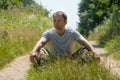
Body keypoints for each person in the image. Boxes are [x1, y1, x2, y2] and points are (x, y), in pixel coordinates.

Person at [30, 11, 100, 64]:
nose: (56, 23)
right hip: (51, 59)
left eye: (59, 20)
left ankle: (83, 68)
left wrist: (94, 52)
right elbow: (41, 42)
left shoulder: (72, 32)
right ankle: (42, 70)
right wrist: (34, 51)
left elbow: (83, 41)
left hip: (70, 59)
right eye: (54, 20)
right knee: (40, 50)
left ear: (65, 22)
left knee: (85, 50)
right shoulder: (49, 33)